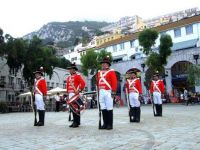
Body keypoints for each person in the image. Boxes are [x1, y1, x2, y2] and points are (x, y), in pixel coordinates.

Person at [97, 56, 117, 130]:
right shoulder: (99, 72)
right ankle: (105, 124)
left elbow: (114, 82)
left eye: (105, 64)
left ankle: (109, 124)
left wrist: (114, 91)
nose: (104, 65)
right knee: (103, 108)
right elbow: (98, 82)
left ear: (108, 65)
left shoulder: (111, 71)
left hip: (108, 91)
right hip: (101, 91)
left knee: (109, 108)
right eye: (103, 64)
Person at [66, 63, 86, 128]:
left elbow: (83, 83)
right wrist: (67, 94)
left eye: (71, 69)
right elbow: (67, 87)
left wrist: (79, 90)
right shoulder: (68, 77)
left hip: (75, 94)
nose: (70, 70)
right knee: (72, 109)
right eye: (69, 69)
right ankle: (75, 121)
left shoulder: (78, 75)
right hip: (70, 94)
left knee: (76, 108)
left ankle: (76, 122)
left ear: (74, 70)